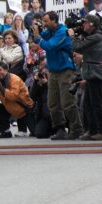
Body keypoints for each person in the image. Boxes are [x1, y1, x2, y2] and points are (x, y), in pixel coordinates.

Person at [32, 11, 82, 140]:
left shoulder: (62, 32)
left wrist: (37, 37)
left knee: (68, 102)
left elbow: (50, 45)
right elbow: (43, 36)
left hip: (66, 70)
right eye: (43, 21)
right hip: (53, 70)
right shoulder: (51, 31)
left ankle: (76, 129)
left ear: (54, 20)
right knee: (52, 103)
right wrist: (37, 31)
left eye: (46, 21)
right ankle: (60, 129)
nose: (44, 23)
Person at [71, 15, 102, 141]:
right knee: (88, 104)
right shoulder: (93, 36)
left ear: (92, 24)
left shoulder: (96, 36)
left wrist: (72, 35)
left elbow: (78, 47)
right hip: (91, 74)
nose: (83, 25)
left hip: (96, 74)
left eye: (85, 23)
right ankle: (92, 130)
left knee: (96, 104)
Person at [0, 62, 33, 138]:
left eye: (0, 70)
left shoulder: (14, 79)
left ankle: (23, 129)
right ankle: (5, 131)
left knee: (36, 133)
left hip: (25, 108)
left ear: (6, 70)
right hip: (11, 108)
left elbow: (14, 96)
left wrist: (1, 88)